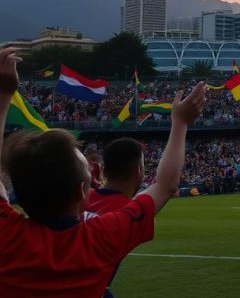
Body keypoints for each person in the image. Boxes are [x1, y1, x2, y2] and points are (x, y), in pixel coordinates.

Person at [0, 47, 207, 298]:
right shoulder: (101, 237)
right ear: (81, 191)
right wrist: (180, 123)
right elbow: (166, 185)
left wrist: (3, 94)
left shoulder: (7, 234)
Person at [85, 138, 146, 298]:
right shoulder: (129, 211)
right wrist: (180, 123)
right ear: (138, 170)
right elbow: (167, 185)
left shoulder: (77, 202)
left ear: (103, 169)